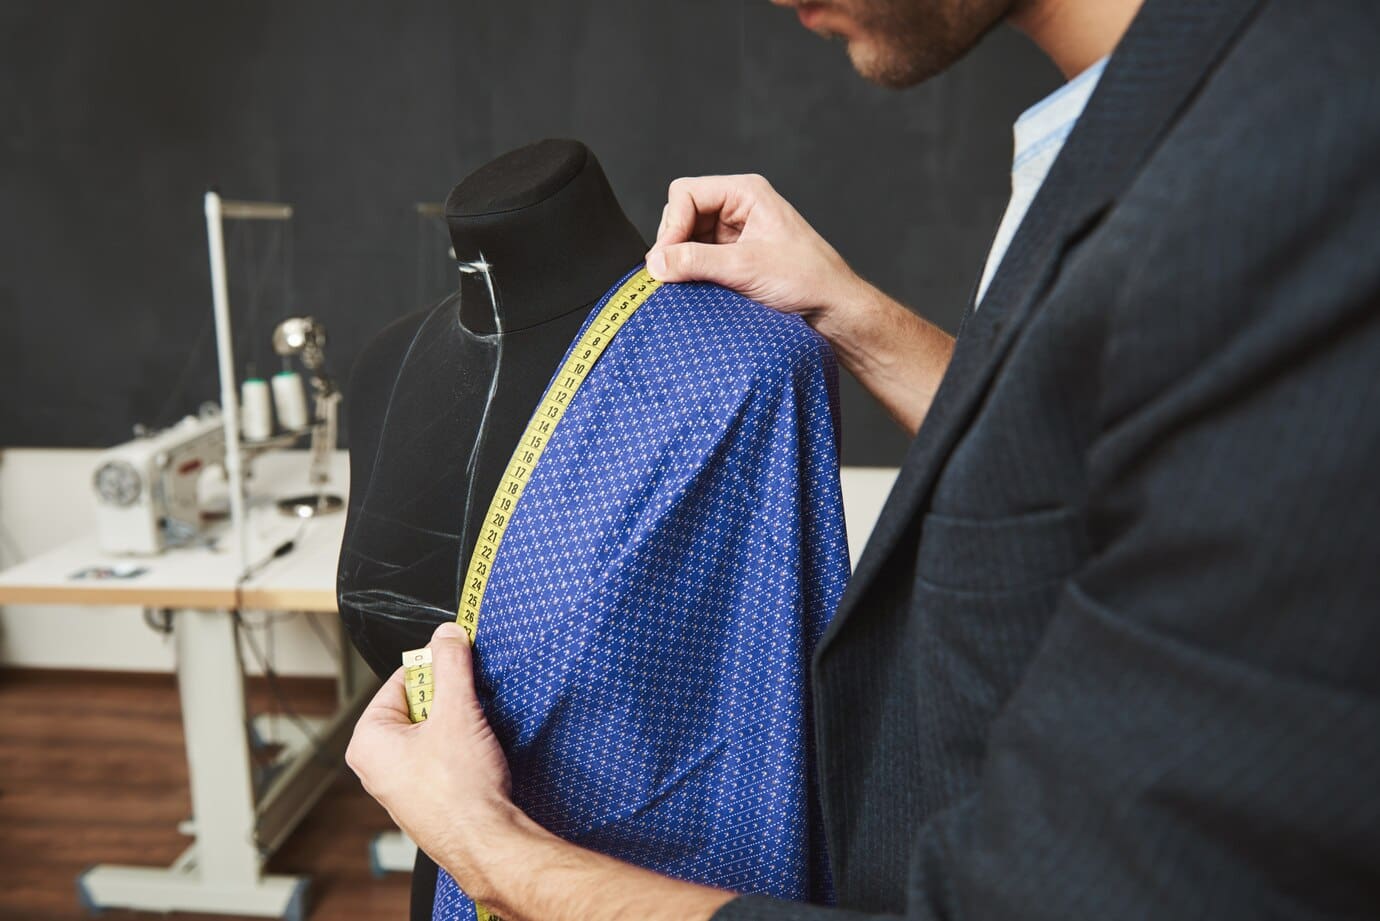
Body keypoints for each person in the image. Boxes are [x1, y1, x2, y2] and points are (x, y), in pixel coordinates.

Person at [347, 0, 1380, 917]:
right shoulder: (1129, 126)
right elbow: (1097, 464)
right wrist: (855, 313)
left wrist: (491, 855)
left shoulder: (1298, 170)